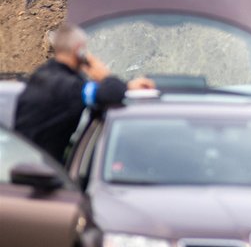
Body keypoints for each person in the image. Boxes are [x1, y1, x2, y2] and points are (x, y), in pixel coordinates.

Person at [14, 23, 154, 161]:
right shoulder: (67, 87)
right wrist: (103, 73)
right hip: (38, 171)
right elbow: (110, 94)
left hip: (25, 162)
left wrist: (128, 86)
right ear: (79, 51)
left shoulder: (45, 75)